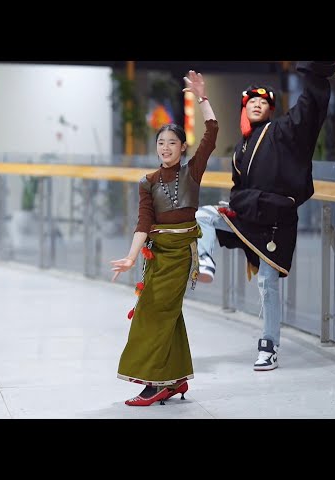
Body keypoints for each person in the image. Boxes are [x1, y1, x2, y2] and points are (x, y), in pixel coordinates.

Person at [195, 61, 335, 371]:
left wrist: (313, 73)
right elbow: (237, 189)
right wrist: (232, 205)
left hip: (275, 221)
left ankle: (269, 345)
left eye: (263, 103)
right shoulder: (240, 150)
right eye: (252, 103)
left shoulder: (282, 131)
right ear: (244, 110)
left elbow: (307, 111)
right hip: (248, 215)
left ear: (270, 110)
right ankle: (205, 260)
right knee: (204, 215)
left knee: (266, 283)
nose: (257, 106)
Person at [110, 71, 218, 407]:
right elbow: (143, 222)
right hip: (156, 255)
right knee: (164, 314)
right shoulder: (148, 181)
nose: (166, 147)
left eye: (172, 142)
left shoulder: (192, 172)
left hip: (180, 254)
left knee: (154, 315)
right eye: (161, 142)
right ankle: (176, 379)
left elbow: (212, 134)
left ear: (182, 147)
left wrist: (203, 99)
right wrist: (131, 257)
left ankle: (155, 384)